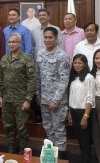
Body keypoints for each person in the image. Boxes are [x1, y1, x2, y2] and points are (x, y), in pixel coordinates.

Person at [0, 33, 35, 153]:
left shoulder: (27, 59)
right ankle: (11, 150)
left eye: (14, 42)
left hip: (21, 100)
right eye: (10, 42)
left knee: (21, 127)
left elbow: (32, 80)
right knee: (8, 126)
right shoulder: (4, 59)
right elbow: (0, 78)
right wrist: (0, 96)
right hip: (7, 99)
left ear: (20, 43)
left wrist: (28, 100)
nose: (11, 44)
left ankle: (22, 152)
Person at [35, 27, 70, 160]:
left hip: (57, 101)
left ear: (57, 39)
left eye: (50, 37)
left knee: (58, 129)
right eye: (45, 37)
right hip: (43, 99)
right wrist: (37, 93)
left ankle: (61, 157)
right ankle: (51, 156)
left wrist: (56, 100)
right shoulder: (40, 54)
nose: (47, 40)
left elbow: (64, 80)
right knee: (48, 129)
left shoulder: (62, 56)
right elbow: (38, 75)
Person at [68, 54, 95, 163]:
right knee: (79, 139)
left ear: (84, 64)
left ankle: (87, 160)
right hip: (74, 112)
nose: (77, 65)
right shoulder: (73, 78)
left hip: (84, 112)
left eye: (80, 63)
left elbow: (90, 98)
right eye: (75, 63)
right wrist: (70, 112)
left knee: (85, 141)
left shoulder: (89, 77)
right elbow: (71, 96)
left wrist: (86, 116)